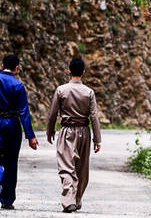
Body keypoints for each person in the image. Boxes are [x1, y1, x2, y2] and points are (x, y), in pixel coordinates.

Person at [0, 53, 39, 210]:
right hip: (12, 124)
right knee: (11, 161)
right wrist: (30, 136)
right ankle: (7, 199)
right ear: (17, 68)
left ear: (1, 66)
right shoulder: (18, 86)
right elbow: (24, 112)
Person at [46, 57, 101, 213]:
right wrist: (97, 139)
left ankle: (69, 200)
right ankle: (76, 199)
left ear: (68, 71)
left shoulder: (61, 90)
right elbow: (94, 116)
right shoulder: (89, 92)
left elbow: (53, 114)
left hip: (67, 131)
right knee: (82, 168)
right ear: (83, 73)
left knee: (67, 166)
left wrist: (50, 131)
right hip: (84, 131)